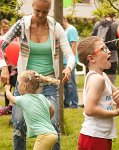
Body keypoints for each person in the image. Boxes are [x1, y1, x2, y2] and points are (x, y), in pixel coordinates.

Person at [0, 0, 75, 149]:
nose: (41, 15)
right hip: (25, 84)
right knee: (19, 126)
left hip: (49, 83)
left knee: (53, 127)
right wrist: (3, 67)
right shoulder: (22, 25)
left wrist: (69, 68)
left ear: (50, 10)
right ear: (32, 7)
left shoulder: (55, 27)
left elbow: (70, 54)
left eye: (45, 12)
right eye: (37, 11)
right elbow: (1, 44)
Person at [77, 36, 119, 150]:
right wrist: (115, 113)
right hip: (94, 137)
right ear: (91, 58)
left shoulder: (103, 76)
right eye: (103, 49)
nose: (109, 51)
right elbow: (90, 110)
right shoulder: (97, 79)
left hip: (100, 136)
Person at [5, 70, 59, 150]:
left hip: (44, 136)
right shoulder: (42, 97)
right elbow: (52, 111)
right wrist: (45, 120)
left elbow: (10, 98)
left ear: (24, 86)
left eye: (18, 83)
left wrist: (7, 89)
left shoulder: (23, 99)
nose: (17, 85)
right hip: (52, 134)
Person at [92, 12, 119, 85]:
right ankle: (109, 96)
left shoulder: (97, 24)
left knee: (97, 83)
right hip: (111, 58)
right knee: (110, 84)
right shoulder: (115, 25)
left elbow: (92, 40)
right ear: (114, 16)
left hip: (97, 58)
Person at [0, 19, 18, 109]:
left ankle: (13, 106)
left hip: (13, 65)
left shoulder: (14, 37)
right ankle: (7, 106)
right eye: (3, 26)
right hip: (4, 65)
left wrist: (6, 54)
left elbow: (16, 49)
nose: (5, 28)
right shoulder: (1, 38)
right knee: (6, 85)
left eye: (6, 26)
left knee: (15, 85)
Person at [63, 17, 79, 108]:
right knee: (65, 83)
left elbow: (73, 46)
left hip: (69, 62)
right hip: (64, 61)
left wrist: (71, 61)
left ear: (64, 20)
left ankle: (74, 104)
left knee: (71, 83)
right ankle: (66, 103)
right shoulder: (65, 30)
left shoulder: (71, 30)